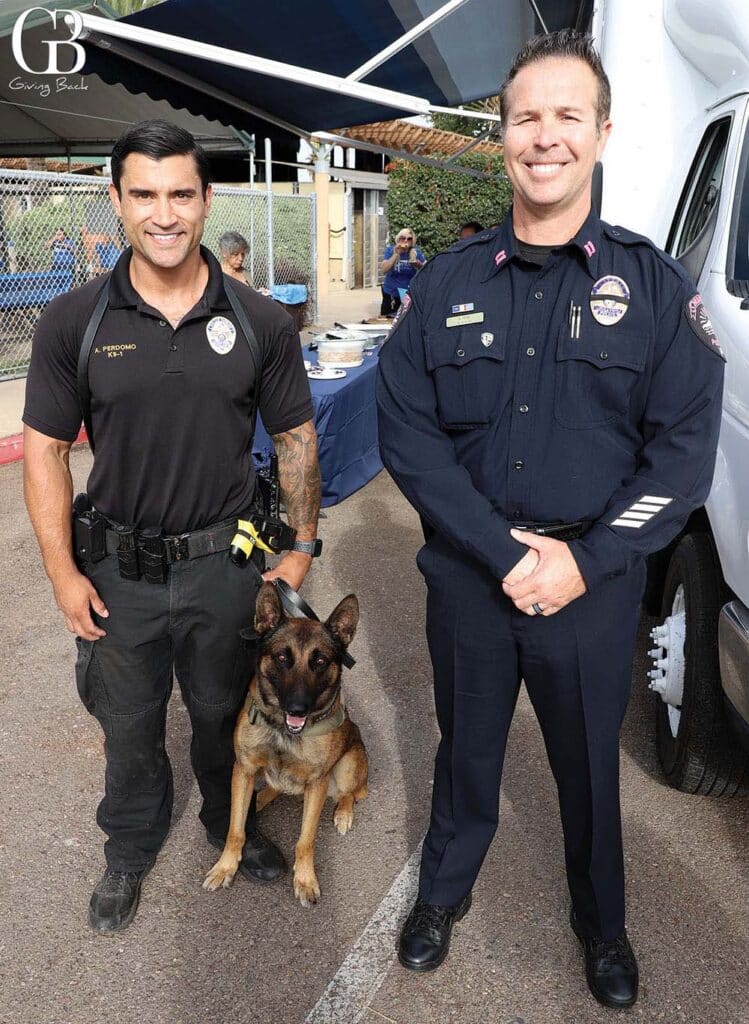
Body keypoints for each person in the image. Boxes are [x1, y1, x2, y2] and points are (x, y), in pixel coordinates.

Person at [376, 30, 725, 1009]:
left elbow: (682, 450)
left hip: (592, 588)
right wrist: (496, 549)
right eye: (525, 116)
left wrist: (590, 558)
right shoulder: (445, 283)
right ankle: (440, 896)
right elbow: (406, 433)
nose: (544, 137)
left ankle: (601, 925)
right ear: (502, 132)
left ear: (599, 133)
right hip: (469, 582)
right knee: (466, 750)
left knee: (583, 768)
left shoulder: (649, 286)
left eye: (566, 116)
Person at [23, 120, 321, 935]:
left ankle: (223, 823)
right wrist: (63, 574)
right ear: (116, 202)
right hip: (118, 570)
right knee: (127, 725)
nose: (164, 214)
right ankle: (128, 846)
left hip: (228, 568)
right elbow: (45, 453)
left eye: (181, 194)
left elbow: (295, 437)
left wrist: (298, 549)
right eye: (144, 195)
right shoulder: (72, 322)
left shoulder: (259, 320)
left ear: (205, 199)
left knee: (228, 712)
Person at [380, 228, 425, 317]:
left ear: (413, 241)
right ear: (398, 239)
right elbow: (384, 269)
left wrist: (418, 265)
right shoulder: (391, 250)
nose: (405, 241)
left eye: (409, 239)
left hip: (408, 295)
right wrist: (396, 254)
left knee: (407, 321)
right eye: (402, 238)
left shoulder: (416, 252)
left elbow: (427, 269)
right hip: (392, 294)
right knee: (388, 320)